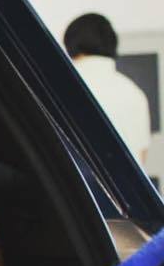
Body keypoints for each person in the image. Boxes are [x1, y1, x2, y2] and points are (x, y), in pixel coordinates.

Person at [64, 13, 151, 167]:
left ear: (70, 44)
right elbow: (141, 158)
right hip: (125, 182)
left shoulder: (65, 85)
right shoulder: (134, 93)